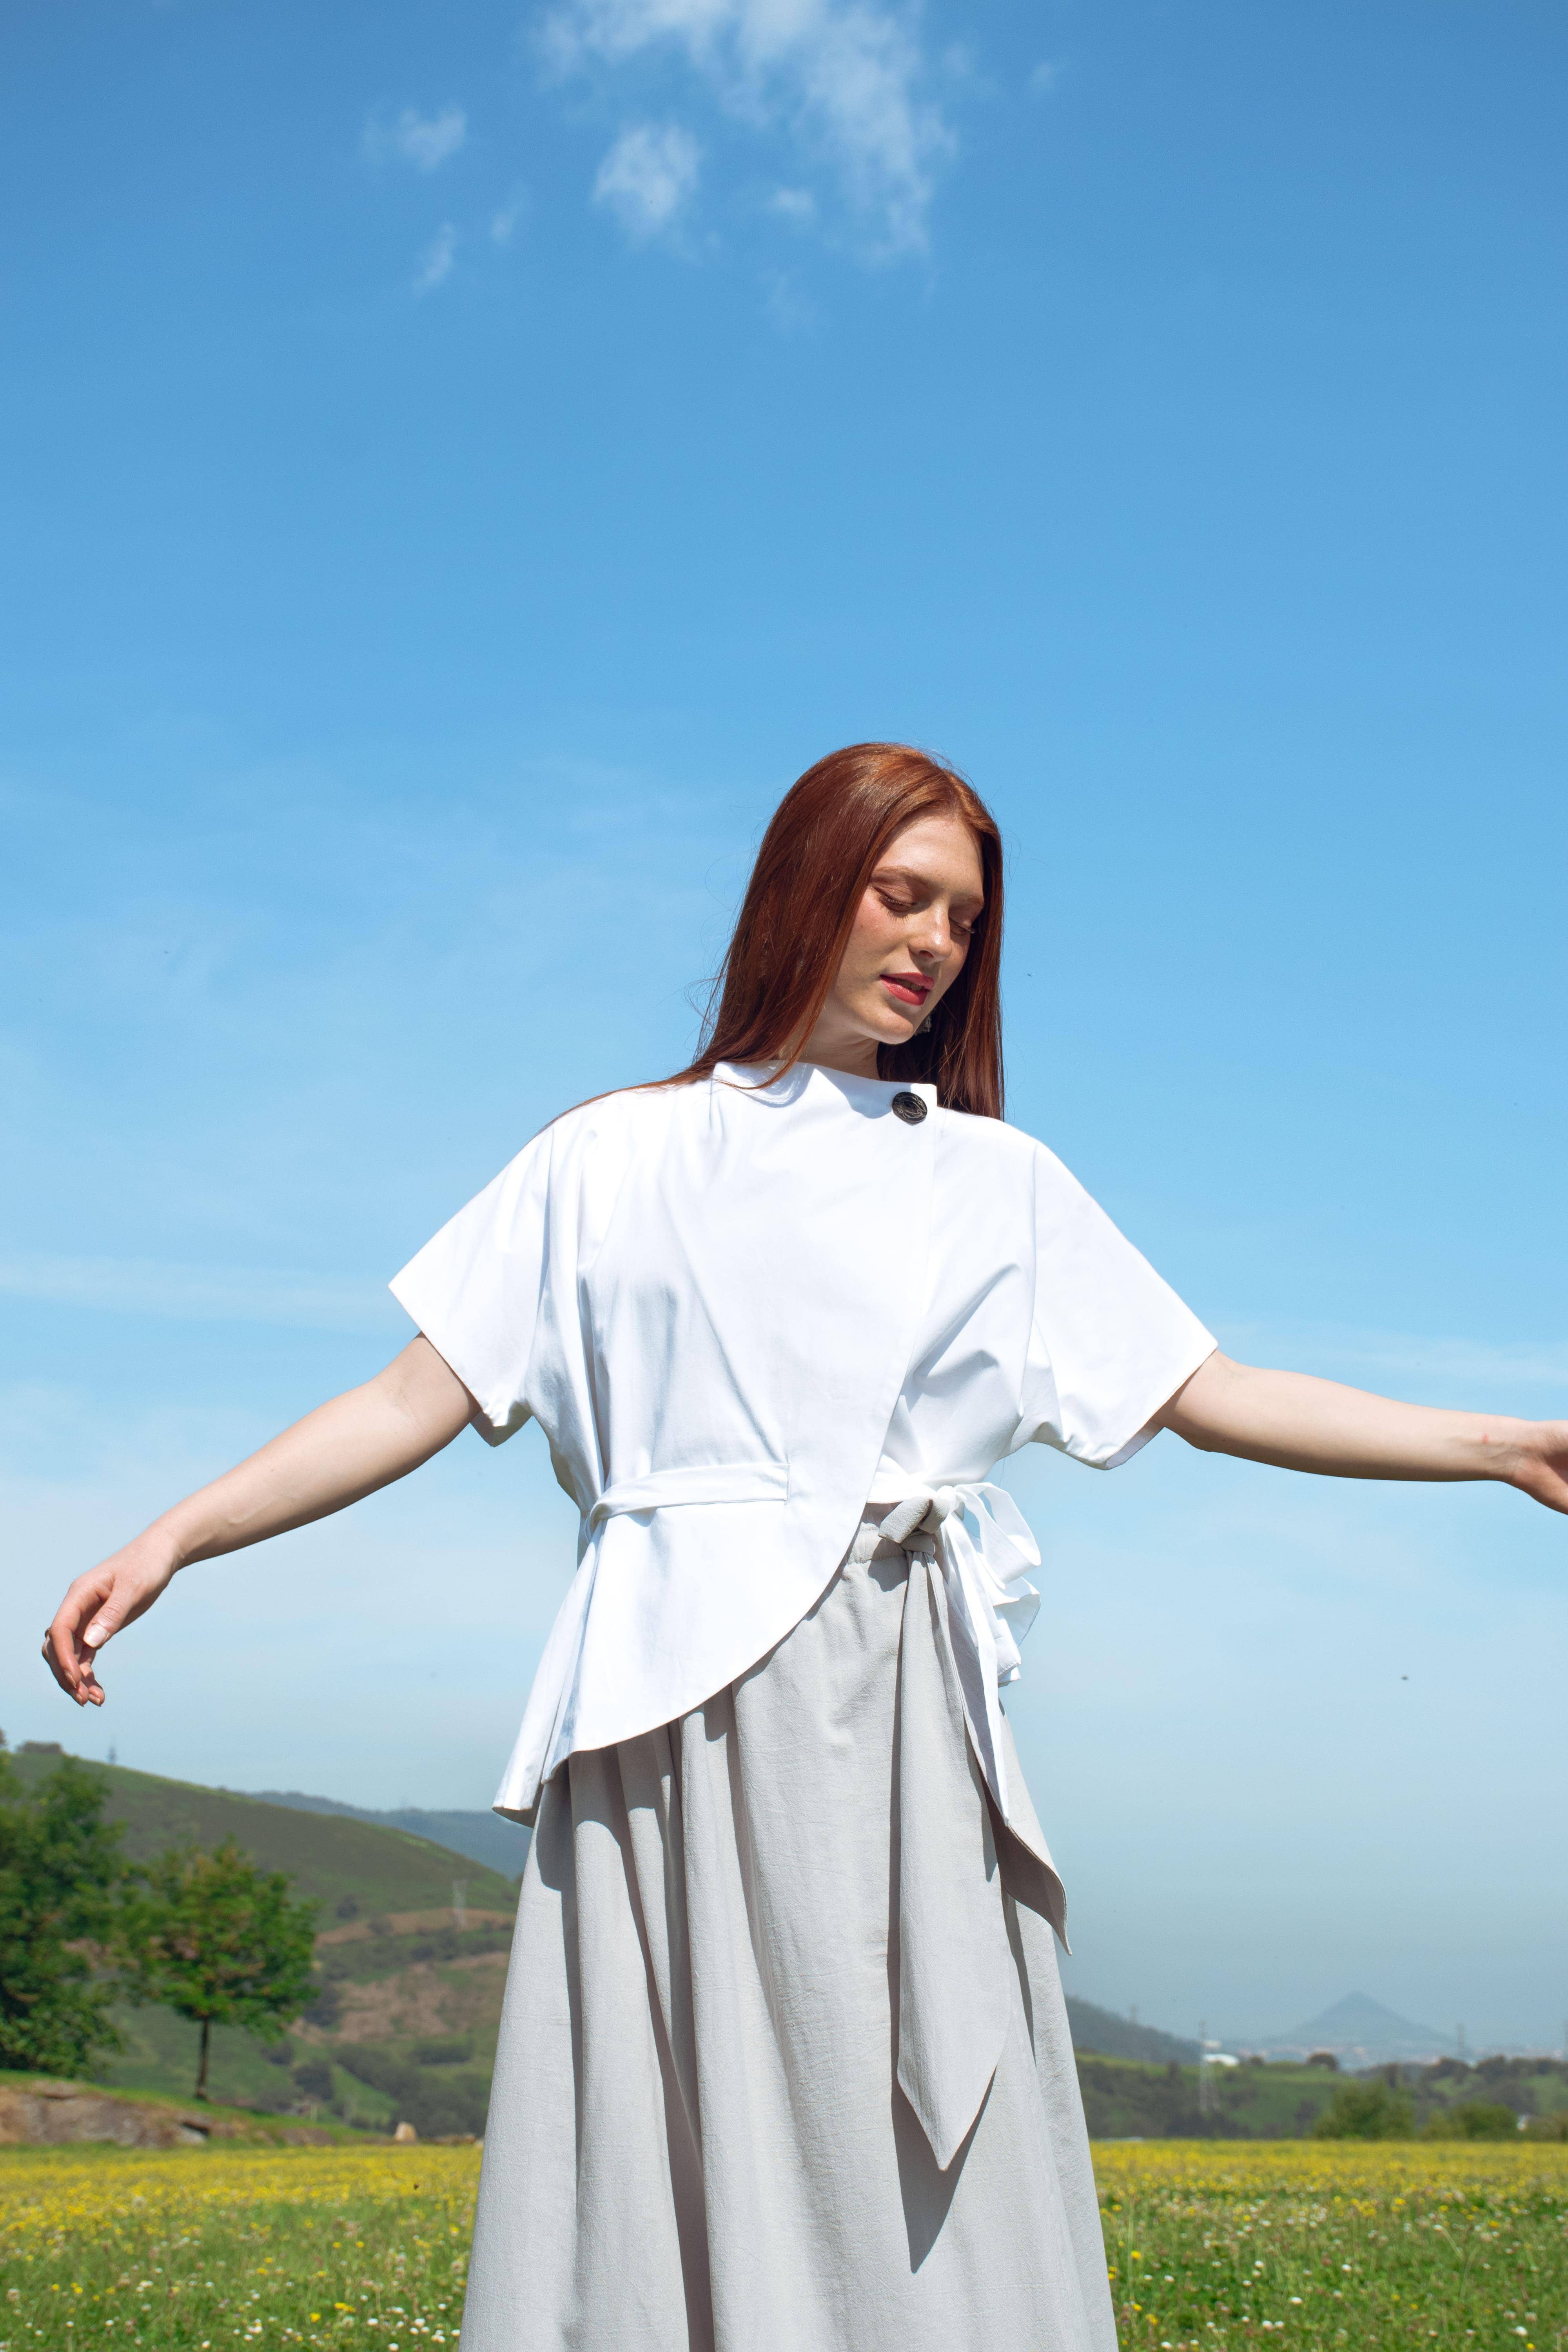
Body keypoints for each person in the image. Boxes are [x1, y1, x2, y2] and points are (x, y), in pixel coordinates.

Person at [44, 742, 1566, 2352]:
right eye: (901, 895)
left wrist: (1507, 1447)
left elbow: (1208, 1391)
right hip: (660, 1712)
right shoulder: (607, 1157)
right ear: (806, 889)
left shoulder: (994, 1181)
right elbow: (407, 1398)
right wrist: (178, 1536)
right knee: (658, 2155)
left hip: (891, 1704)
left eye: (964, 919)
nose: (934, 943)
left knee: (897, 2142)